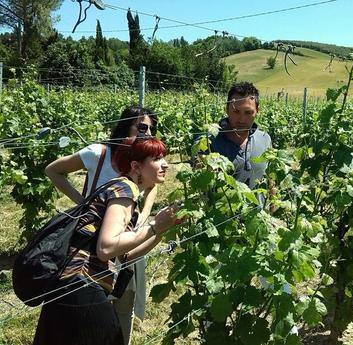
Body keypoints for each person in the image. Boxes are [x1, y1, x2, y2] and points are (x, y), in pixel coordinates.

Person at [34, 136, 178, 345]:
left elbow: (125, 255)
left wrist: (161, 231)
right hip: (81, 285)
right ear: (136, 166)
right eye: (156, 158)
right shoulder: (125, 191)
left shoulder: (121, 188)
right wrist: (154, 226)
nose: (165, 164)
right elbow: (106, 248)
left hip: (68, 285)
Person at [208, 82, 272, 203]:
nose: (242, 119)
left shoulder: (265, 139)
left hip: (258, 219)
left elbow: (270, 178)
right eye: (236, 111)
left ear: (257, 111)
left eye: (248, 113)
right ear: (227, 109)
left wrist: (272, 211)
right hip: (222, 219)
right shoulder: (209, 142)